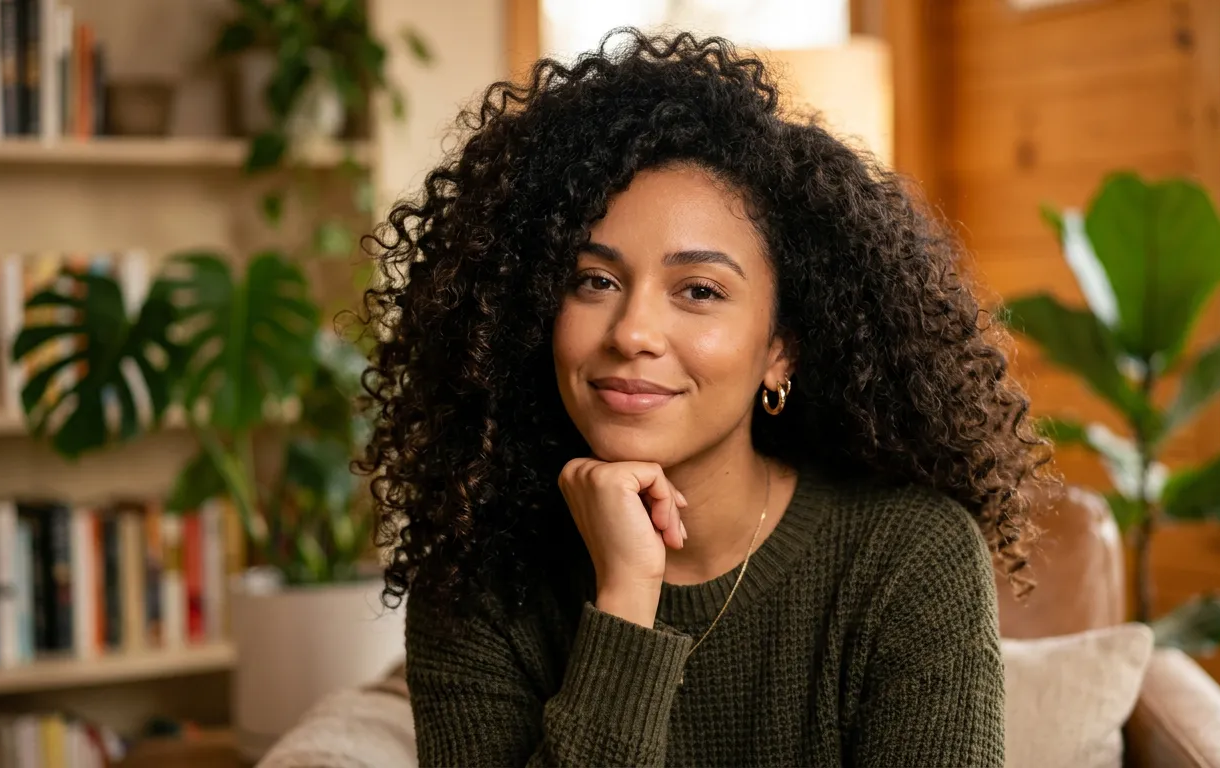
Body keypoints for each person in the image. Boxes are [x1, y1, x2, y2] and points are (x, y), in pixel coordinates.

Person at [359, 28, 1047, 768]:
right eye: (595, 281)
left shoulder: (910, 557)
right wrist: (626, 597)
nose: (633, 333)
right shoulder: (474, 581)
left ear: (781, 347)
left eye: (699, 290)